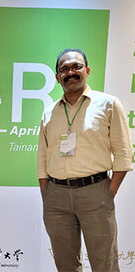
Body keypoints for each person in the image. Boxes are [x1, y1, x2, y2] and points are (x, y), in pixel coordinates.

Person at [38, 48, 130, 272]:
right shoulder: (50, 112)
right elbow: (42, 157)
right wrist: (47, 192)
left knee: (104, 264)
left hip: (96, 192)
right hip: (56, 197)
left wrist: (108, 191)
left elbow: (124, 153)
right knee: (65, 265)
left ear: (87, 70)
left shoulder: (108, 104)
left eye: (76, 66)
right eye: (64, 69)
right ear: (58, 76)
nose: (70, 72)